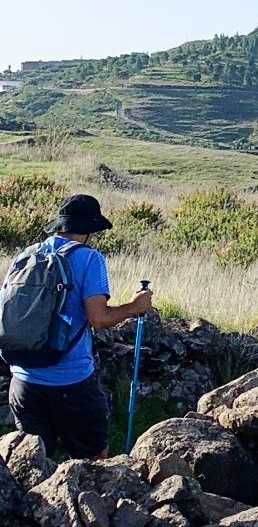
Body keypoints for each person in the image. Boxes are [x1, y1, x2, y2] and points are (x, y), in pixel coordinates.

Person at [6, 194, 153, 460]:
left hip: (23, 380)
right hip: (71, 382)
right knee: (95, 464)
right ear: (89, 230)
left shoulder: (25, 255)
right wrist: (135, 307)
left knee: (34, 464)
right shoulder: (89, 259)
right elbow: (98, 318)